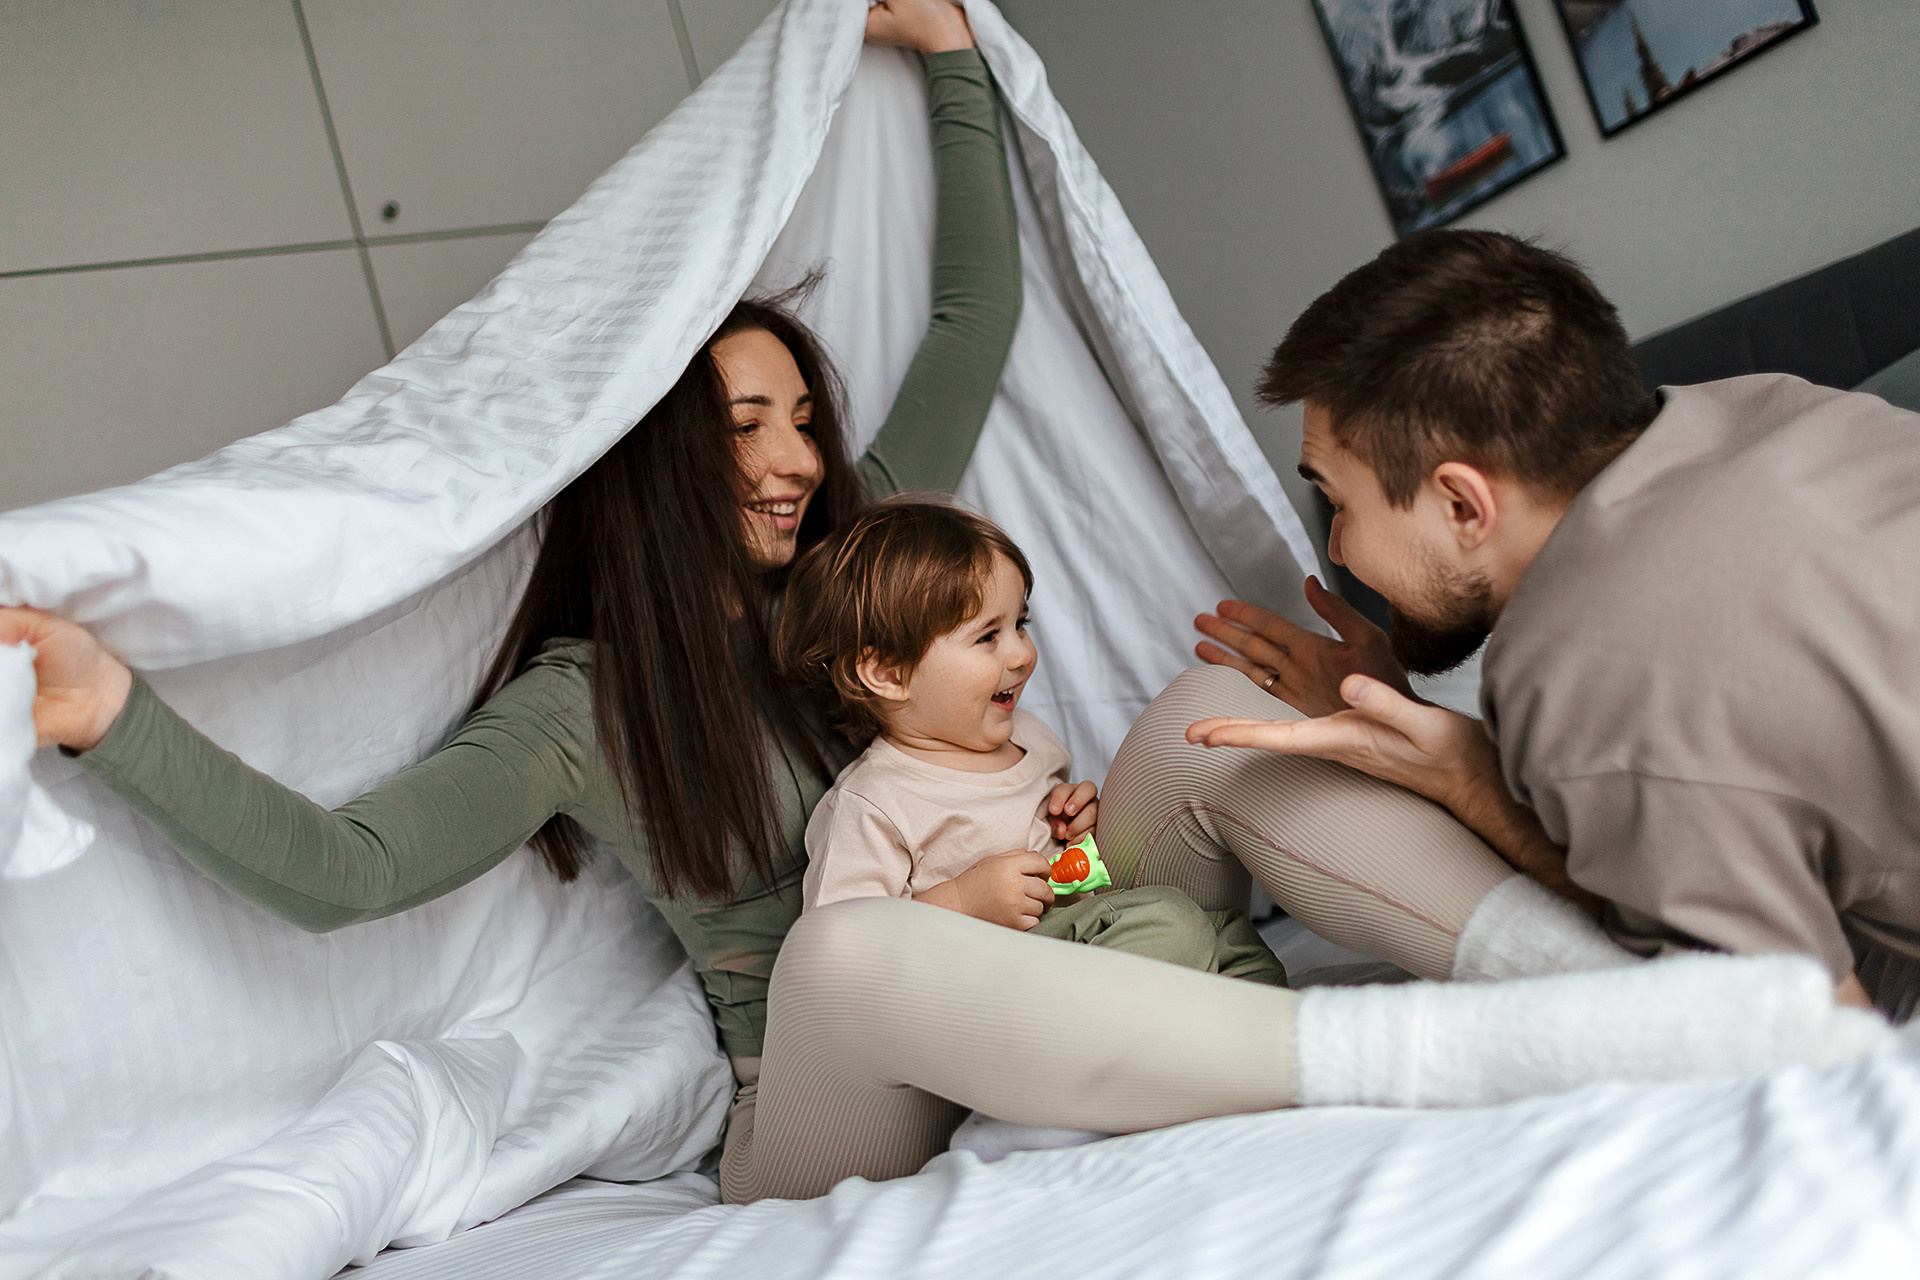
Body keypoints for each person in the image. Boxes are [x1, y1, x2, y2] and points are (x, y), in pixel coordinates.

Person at [0, 53, 1890, 1208]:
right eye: (740, 431)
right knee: (850, 948)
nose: (790, 460)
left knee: (1209, 707)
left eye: (799, 419)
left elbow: (972, 321)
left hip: (1052, 925)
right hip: (838, 1079)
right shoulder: (586, 704)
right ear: (647, 466)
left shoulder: (860, 573)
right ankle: (1442, 1063)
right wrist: (112, 712)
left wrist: (952, 63)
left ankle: (1603, 995)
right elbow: (340, 873)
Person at [1188, 228, 1920, 1017]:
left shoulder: (1590, 678)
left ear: (1463, 504)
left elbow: (1829, 1041)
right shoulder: (1773, 406)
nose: (1336, 547)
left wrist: (1470, 779)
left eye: (1339, 502)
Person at [779, 497, 1284, 984]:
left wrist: (1081, 830)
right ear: (889, 673)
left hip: (1077, 951)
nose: (1021, 654)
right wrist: (961, 902)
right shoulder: (872, 803)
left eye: (1019, 624)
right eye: (987, 636)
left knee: (1227, 934)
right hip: (991, 991)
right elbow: (837, 957)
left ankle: (1251, 1034)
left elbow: (1078, 891)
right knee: (1172, 923)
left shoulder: (1032, 738)